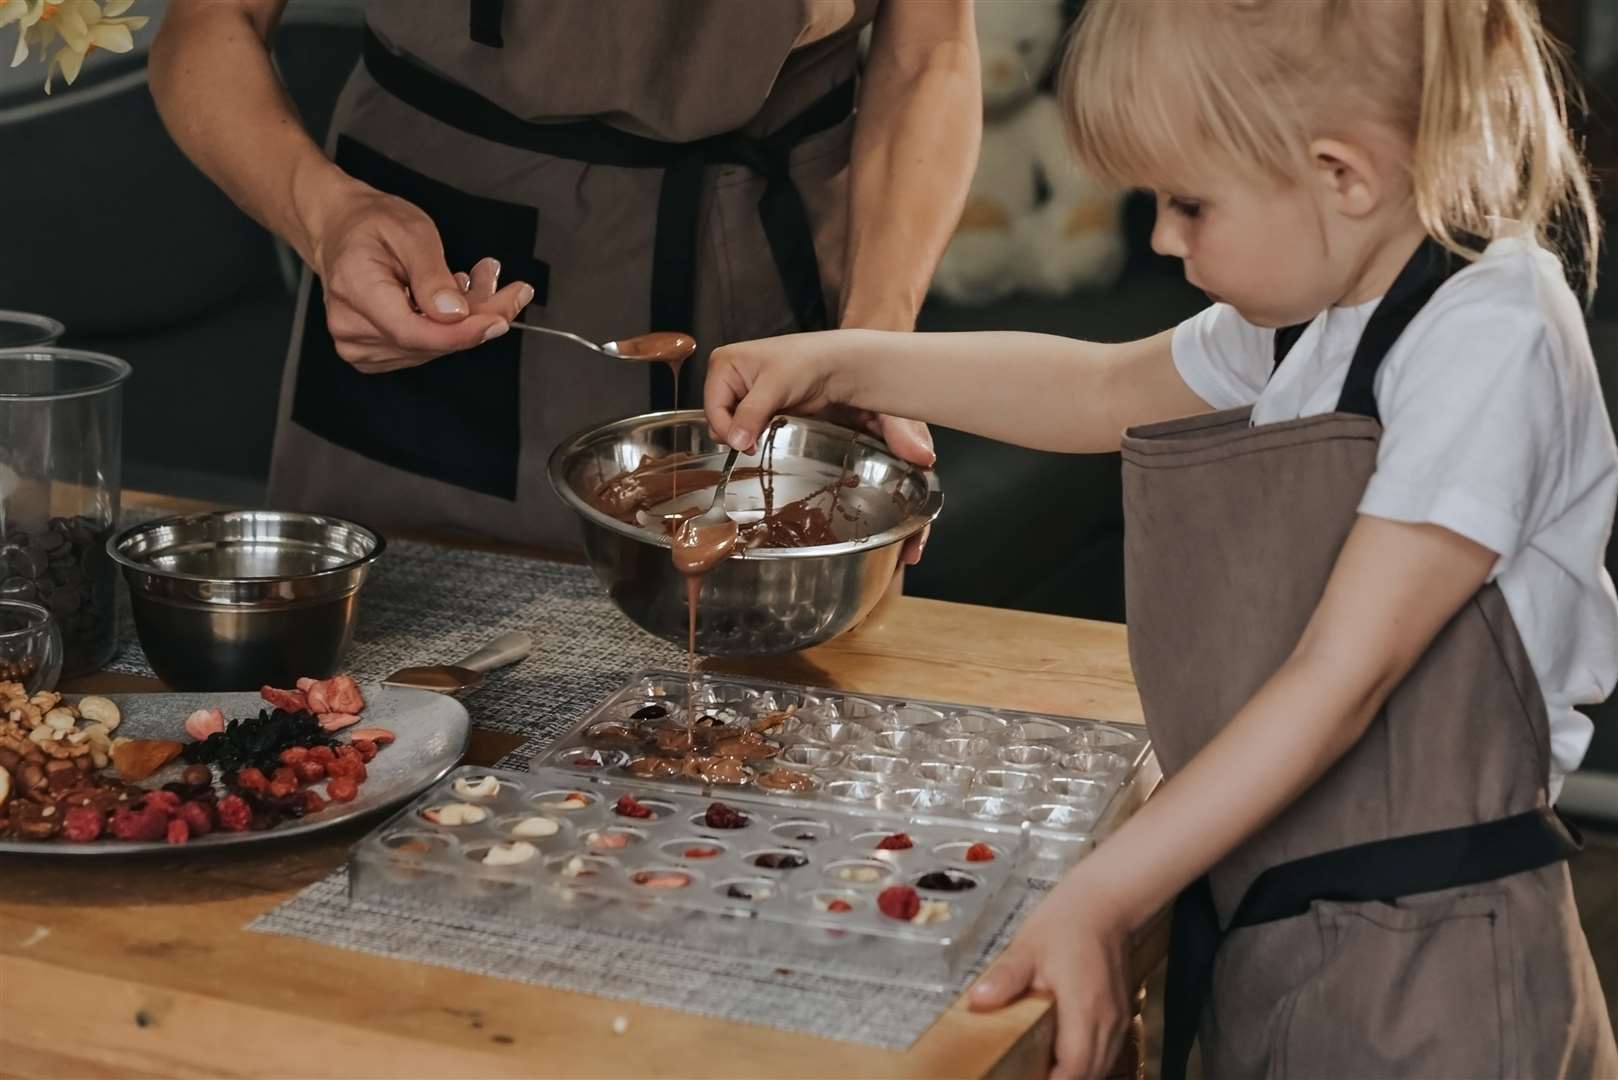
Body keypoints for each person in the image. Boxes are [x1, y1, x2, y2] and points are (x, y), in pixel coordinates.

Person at [703, 0, 1618, 1076]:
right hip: (1275, 921)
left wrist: (1104, 890)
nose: (1162, 238)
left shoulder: (1489, 336)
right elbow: (1099, 389)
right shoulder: (1323, 309)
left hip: (1438, 973)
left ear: (1341, 176)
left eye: (1188, 202)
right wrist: (835, 363)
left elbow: (1343, 676)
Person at [148, 0, 978, 552]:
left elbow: (929, 55)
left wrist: (874, 346)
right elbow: (209, 23)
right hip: (426, 259)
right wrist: (324, 219)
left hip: (758, 278)